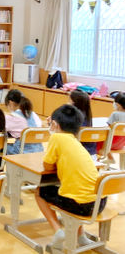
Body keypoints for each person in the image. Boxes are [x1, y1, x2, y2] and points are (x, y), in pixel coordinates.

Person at [35, 104, 105, 251]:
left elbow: (47, 166)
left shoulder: (57, 138)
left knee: (39, 192)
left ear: (54, 124)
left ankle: (58, 231)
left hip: (81, 205)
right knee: (75, 189)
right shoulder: (75, 141)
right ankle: (81, 237)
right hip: (99, 202)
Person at [4, 89, 43, 154]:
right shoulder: (34, 114)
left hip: (22, 152)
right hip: (38, 150)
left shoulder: (12, 117)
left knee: (1, 147)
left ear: (10, 103)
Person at [69, 90, 95, 155]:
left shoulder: (73, 115)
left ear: (73, 102)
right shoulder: (87, 114)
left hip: (77, 151)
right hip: (90, 152)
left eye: (69, 99)